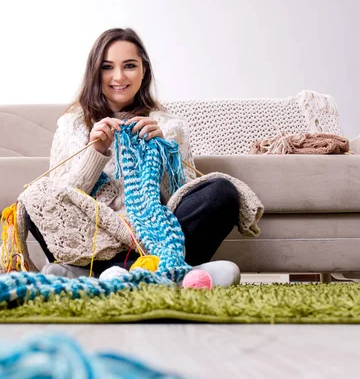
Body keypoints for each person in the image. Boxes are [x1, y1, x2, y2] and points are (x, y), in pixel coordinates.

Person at [25, 28, 241, 284]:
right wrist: (95, 153)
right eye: (107, 67)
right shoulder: (72, 125)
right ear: (95, 72)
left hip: (155, 234)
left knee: (222, 191)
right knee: (33, 201)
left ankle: (99, 276)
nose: (118, 77)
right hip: (98, 236)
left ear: (144, 70)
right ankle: (181, 273)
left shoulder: (169, 126)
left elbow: (183, 195)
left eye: (129, 65)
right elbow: (60, 196)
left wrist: (163, 151)